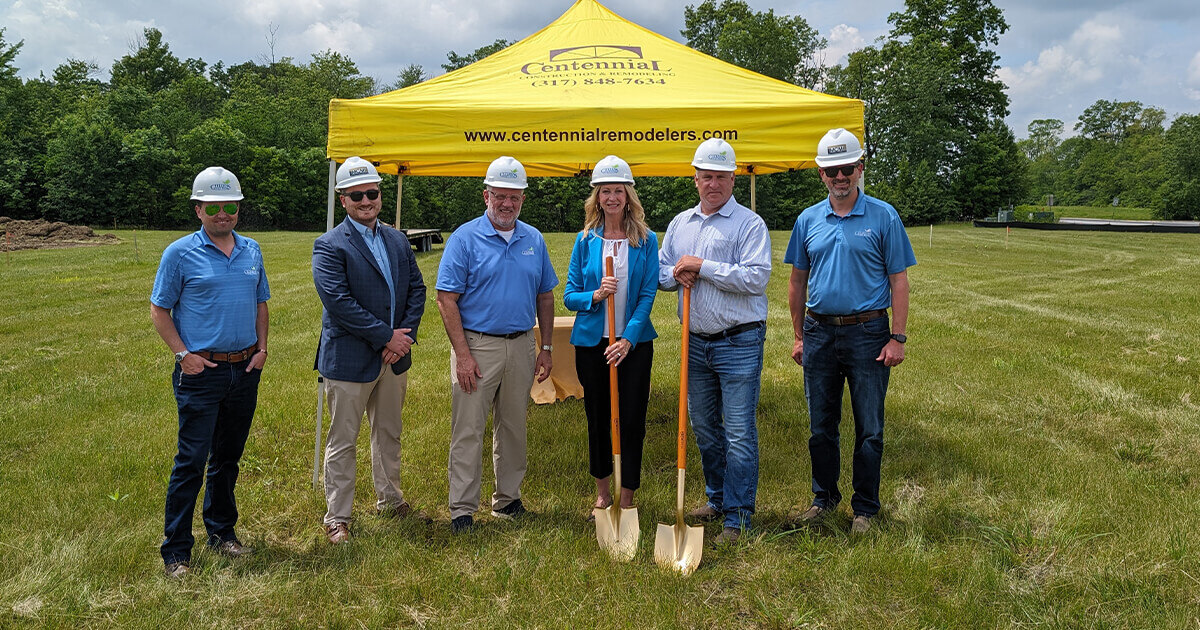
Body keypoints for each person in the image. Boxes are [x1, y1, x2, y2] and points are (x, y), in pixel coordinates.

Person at [785, 128, 916, 534]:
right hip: (819, 332)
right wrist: (799, 336)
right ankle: (823, 500)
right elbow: (796, 283)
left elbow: (899, 280)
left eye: (847, 169)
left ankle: (865, 509)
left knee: (869, 428)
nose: (840, 177)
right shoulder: (808, 219)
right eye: (831, 170)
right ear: (821, 174)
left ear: (860, 168)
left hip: (869, 333)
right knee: (820, 426)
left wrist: (897, 337)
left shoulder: (884, 216)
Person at [150, 166, 269, 579]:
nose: (224, 214)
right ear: (198, 209)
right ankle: (177, 550)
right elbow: (159, 310)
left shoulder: (252, 249)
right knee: (191, 461)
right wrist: (184, 355)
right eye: (215, 206)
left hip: (244, 368)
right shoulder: (179, 253)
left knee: (228, 459)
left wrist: (262, 348)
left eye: (231, 206)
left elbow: (261, 303)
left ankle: (221, 533)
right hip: (200, 372)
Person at [435, 156, 558, 533]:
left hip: (521, 343)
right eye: (500, 197)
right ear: (486, 195)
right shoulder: (465, 238)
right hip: (477, 345)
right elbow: (445, 299)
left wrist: (547, 347)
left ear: (523, 199)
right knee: (469, 428)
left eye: (515, 198)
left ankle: (508, 499)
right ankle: (462, 510)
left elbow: (546, 296)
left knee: (513, 426)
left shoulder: (532, 239)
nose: (507, 204)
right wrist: (463, 355)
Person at [658, 139, 771, 544]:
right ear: (695, 179)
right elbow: (661, 271)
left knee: (739, 430)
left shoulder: (748, 224)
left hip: (738, 341)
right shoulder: (680, 224)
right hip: (695, 341)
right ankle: (718, 498)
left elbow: (756, 277)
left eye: (721, 176)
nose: (713, 184)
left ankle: (739, 516)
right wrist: (677, 274)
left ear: (733, 178)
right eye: (706, 176)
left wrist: (702, 267)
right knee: (704, 427)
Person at [312, 157, 427, 545]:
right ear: (342, 199)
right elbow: (339, 302)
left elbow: (417, 289)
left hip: (394, 358)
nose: (366, 201)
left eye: (372, 193)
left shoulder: (396, 239)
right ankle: (337, 517)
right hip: (349, 359)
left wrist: (404, 338)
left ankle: (390, 500)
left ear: (380, 194)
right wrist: (386, 338)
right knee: (343, 440)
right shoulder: (328, 245)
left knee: (389, 432)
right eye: (356, 195)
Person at [563, 155, 658, 517]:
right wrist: (596, 296)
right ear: (597, 197)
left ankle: (628, 494)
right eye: (606, 191)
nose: (613, 197)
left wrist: (628, 339)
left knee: (632, 418)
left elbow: (648, 294)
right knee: (598, 416)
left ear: (628, 195)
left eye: (619, 190)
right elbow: (570, 295)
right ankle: (603, 493)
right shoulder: (585, 240)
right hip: (592, 345)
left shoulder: (646, 240)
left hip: (632, 344)